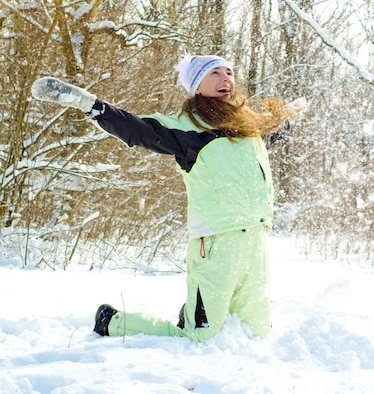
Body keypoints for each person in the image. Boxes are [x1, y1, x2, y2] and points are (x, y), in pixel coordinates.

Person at [31, 53, 306, 342]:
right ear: (197, 85)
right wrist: (87, 103)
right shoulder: (187, 129)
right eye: (215, 73)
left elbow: (270, 135)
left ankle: (198, 316)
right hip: (214, 241)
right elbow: (137, 129)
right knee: (200, 334)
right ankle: (113, 322)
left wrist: (286, 116)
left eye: (229, 72)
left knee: (257, 332)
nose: (226, 78)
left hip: (255, 239)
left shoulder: (249, 128)